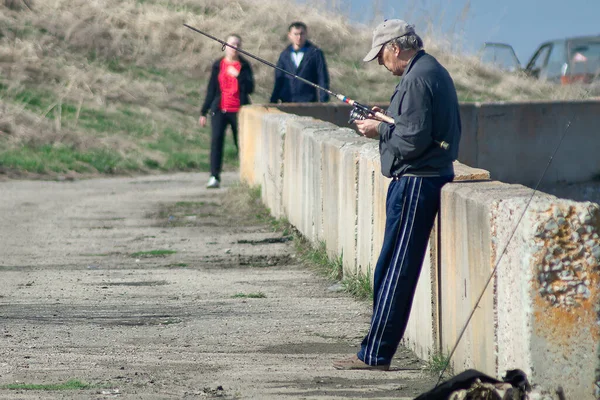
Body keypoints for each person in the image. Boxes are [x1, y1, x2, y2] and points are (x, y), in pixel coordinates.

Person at [333, 19, 461, 370]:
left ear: (395, 48)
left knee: (396, 271)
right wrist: (390, 119)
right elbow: (415, 128)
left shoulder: (418, 78)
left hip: (419, 182)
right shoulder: (427, 71)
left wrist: (379, 131)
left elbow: (412, 140)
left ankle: (375, 356)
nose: (379, 63)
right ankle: (373, 351)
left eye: (380, 56)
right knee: (389, 268)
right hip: (420, 177)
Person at [199, 34, 254, 189]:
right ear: (225, 46)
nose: (234, 48)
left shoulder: (244, 65)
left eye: (237, 44)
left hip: (239, 110)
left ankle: (246, 177)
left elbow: (250, 88)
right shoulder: (218, 65)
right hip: (220, 109)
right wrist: (204, 111)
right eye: (231, 44)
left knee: (241, 144)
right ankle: (214, 176)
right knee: (216, 141)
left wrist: (239, 76)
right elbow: (211, 90)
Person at [269, 21, 330, 103]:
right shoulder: (284, 55)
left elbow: (322, 78)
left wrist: (324, 100)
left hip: (308, 101)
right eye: (296, 34)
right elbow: (279, 79)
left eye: (302, 34)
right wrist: (273, 100)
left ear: (306, 34)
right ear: (289, 35)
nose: (299, 37)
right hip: (287, 101)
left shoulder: (315, 53)